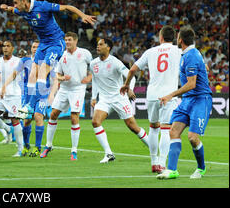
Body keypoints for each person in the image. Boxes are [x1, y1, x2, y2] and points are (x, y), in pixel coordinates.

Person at [0, 0, 96, 157]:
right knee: (32, 74)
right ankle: (28, 105)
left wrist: (82, 15)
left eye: (16, 3)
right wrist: (7, 7)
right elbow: (11, 10)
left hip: (55, 43)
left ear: (24, 1)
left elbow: (67, 7)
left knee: (43, 71)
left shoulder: (42, 6)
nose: (15, 6)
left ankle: (29, 105)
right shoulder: (22, 10)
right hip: (43, 44)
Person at [120, 25, 182, 173]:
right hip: (169, 95)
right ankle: (162, 163)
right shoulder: (179, 51)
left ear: (160, 37)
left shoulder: (151, 51)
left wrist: (127, 85)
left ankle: (154, 163)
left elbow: (133, 69)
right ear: (173, 38)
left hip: (152, 94)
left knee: (153, 128)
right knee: (166, 129)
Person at [157, 27, 212, 180]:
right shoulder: (189, 53)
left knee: (192, 138)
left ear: (180, 40)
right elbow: (202, 67)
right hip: (188, 100)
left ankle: (201, 168)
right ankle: (172, 170)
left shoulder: (191, 55)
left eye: (178, 37)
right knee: (173, 131)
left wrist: (170, 95)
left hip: (200, 99)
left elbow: (192, 84)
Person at [89, 38, 149, 163]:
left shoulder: (115, 62)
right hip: (104, 99)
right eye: (97, 44)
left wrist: (130, 89)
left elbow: (130, 76)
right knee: (95, 121)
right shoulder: (93, 63)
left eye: (101, 44)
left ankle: (153, 148)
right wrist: (94, 97)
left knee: (133, 127)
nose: (98, 47)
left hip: (119, 98)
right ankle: (109, 153)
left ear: (108, 47)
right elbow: (94, 80)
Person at [40, 32, 92, 161]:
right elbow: (56, 75)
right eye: (66, 40)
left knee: (74, 118)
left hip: (78, 89)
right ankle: (48, 145)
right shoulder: (62, 55)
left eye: (69, 40)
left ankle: (74, 150)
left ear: (75, 41)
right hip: (64, 89)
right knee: (53, 115)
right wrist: (62, 77)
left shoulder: (85, 53)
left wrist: (89, 77)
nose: (67, 42)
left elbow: (95, 68)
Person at [0, 41, 25, 157]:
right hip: (1, 96)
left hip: (14, 95)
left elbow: (14, 76)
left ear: (13, 48)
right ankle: (7, 129)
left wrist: (4, 88)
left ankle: (20, 149)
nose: (5, 48)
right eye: (4, 46)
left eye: (8, 46)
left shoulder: (18, 61)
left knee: (15, 120)